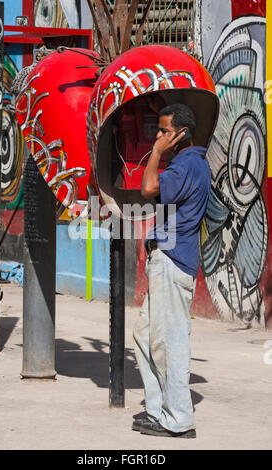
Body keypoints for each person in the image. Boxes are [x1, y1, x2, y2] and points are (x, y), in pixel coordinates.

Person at [132, 103, 211, 438]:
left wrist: (154, 152)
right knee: (144, 337)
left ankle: (179, 418)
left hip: (172, 260)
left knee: (169, 341)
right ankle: (159, 410)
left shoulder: (185, 166)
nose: (159, 136)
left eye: (164, 131)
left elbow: (148, 189)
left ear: (182, 133)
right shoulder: (191, 163)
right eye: (159, 131)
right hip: (168, 258)